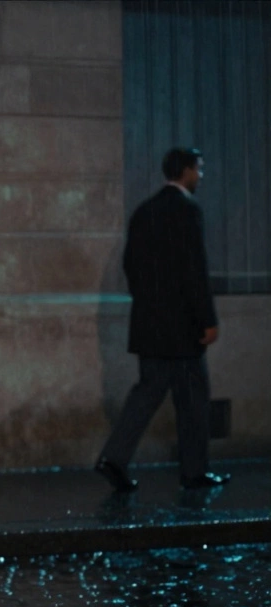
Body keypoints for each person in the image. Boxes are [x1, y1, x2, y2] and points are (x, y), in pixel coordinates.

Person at [95, 147, 230, 492]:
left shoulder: (144, 211)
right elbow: (194, 270)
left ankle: (114, 458)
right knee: (193, 400)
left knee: (146, 393)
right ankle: (194, 471)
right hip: (183, 328)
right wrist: (207, 319)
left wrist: (152, 302)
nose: (200, 175)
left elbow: (131, 266)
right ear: (185, 171)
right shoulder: (188, 211)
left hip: (150, 325)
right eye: (198, 169)